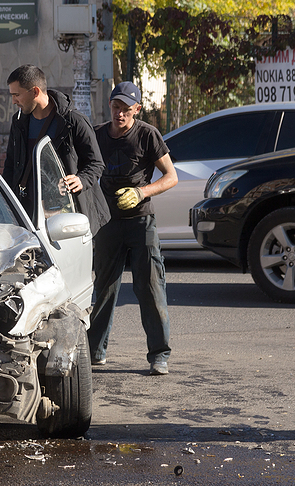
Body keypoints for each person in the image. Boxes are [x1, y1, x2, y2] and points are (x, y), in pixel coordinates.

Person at [88, 81, 178, 376]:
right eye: (116, 107)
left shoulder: (147, 135)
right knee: (104, 288)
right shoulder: (98, 135)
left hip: (141, 222)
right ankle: (94, 352)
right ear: (110, 106)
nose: (120, 114)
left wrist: (142, 193)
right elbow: (84, 171)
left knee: (151, 288)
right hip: (108, 223)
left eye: (127, 109)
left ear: (136, 110)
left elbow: (171, 177)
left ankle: (159, 354)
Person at [3, 64, 109, 235]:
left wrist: (80, 179)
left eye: (17, 95)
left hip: (67, 215)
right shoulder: (19, 121)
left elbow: (96, 163)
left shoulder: (73, 120)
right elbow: (10, 165)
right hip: (28, 215)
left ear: (35, 92)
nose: (14, 101)